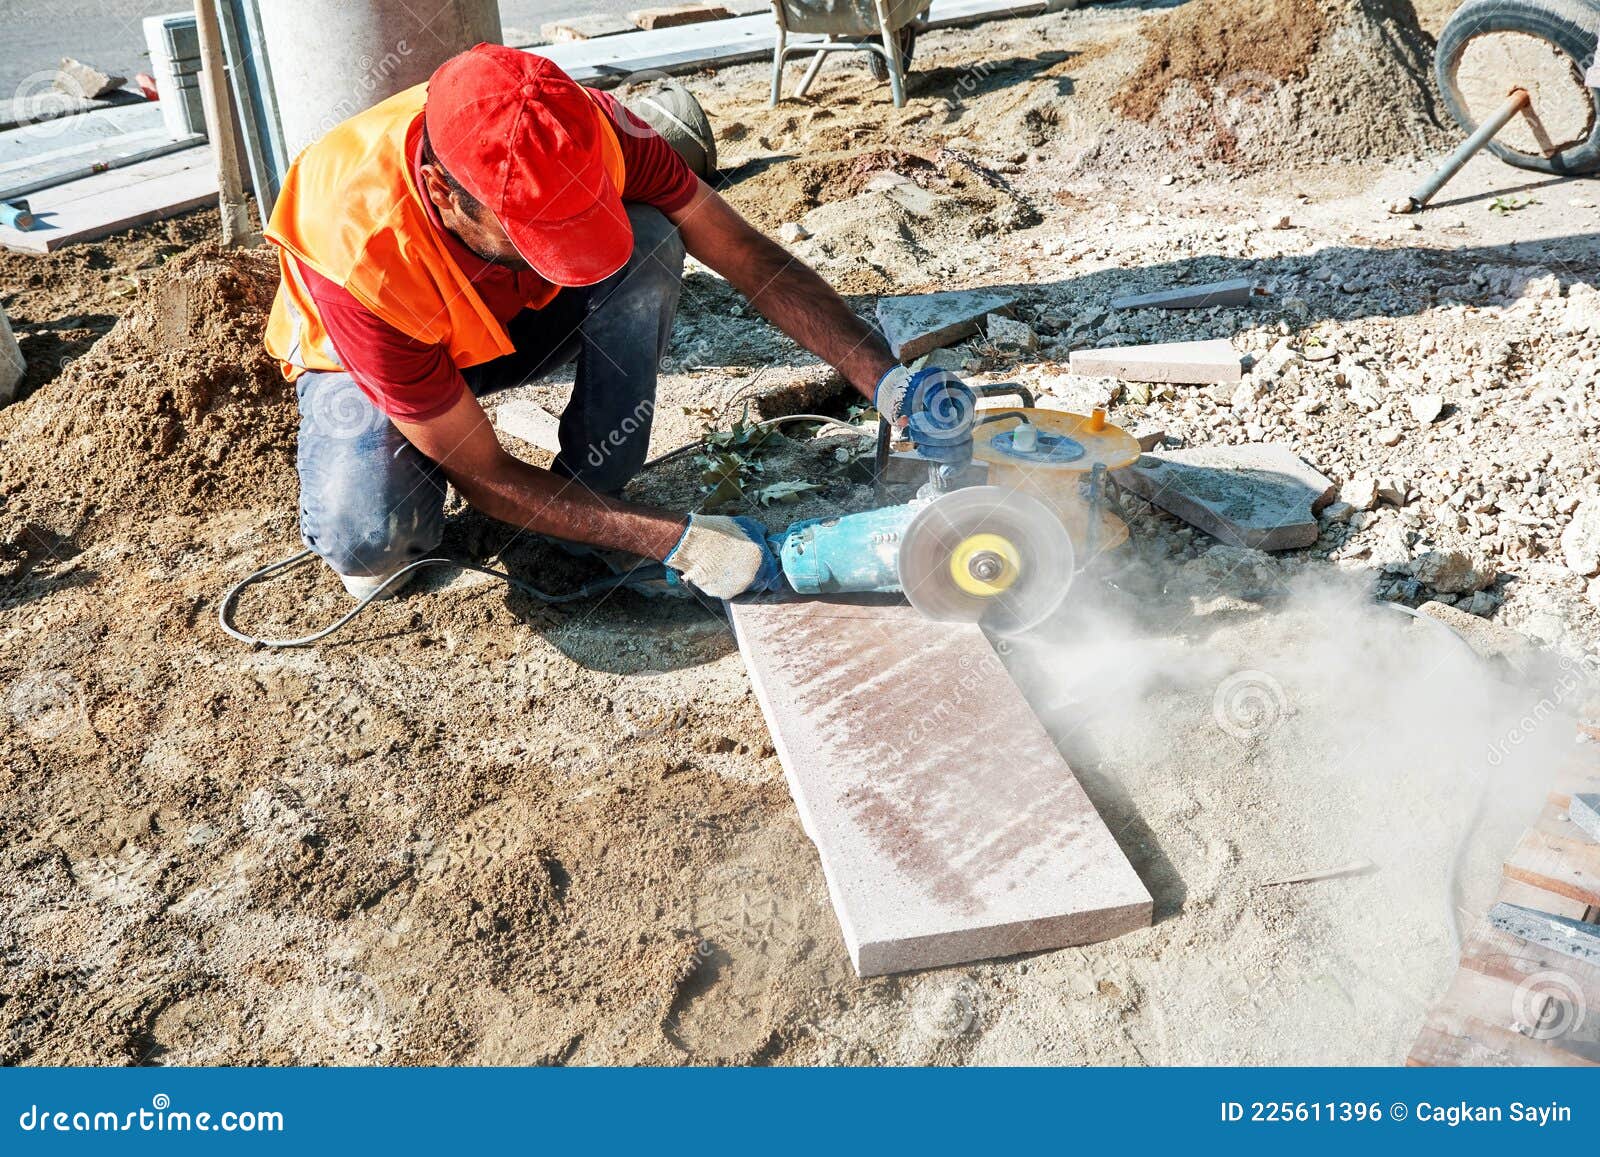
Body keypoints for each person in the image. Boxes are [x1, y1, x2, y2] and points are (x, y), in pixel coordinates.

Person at [263, 43, 971, 600]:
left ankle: (591, 491)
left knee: (654, 242)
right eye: (537, 236)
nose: (563, 256)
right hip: (371, 352)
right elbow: (484, 474)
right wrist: (680, 542)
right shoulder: (356, 249)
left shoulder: (584, 128)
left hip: (506, 320)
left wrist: (886, 379)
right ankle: (421, 485)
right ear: (442, 194)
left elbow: (749, 259)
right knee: (371, 545)